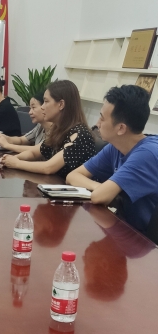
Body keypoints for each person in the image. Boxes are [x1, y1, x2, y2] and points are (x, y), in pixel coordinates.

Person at [66, 85, 158, 233]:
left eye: (102, 118)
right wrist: (100, 187)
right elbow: (72, 176)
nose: (97, 124)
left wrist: (102, 190)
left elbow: (98, 197)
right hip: (123, 227)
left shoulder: (147, 154)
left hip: (145, 241)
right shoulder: (116, 146)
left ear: (121, 128)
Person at [0, 80, 96, 177]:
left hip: (69, 185)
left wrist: (17, 163)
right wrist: (12, 158)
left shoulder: (81, 134)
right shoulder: (58, 129)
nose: (42, 107)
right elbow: (34, 153)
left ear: (61, 104)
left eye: (46, 102)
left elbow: (48, 168)